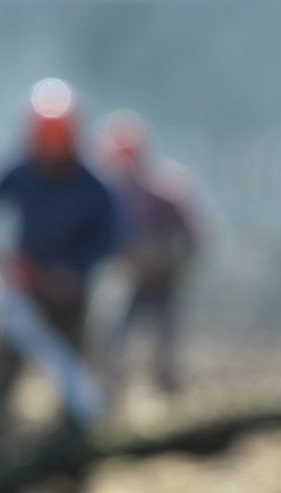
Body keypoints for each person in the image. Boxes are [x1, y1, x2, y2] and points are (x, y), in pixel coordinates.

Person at [0, 78, 122, 455]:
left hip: (71, 295)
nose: (50, 146)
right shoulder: (20, 172)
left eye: (58, 136)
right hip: (24, 289)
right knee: (3, 370)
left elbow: (111, 237)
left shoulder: (92, 185)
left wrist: (74, 270)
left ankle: (72, 451)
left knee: (71, 373)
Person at [94, 109, 205, 398]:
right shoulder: (108, 195)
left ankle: (173, 410)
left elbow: (196, 239)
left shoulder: (167, 189)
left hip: (166, 284)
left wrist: (160, 255)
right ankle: (109, 402)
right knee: (112, 345)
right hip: (129, 282)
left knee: (165, 353)